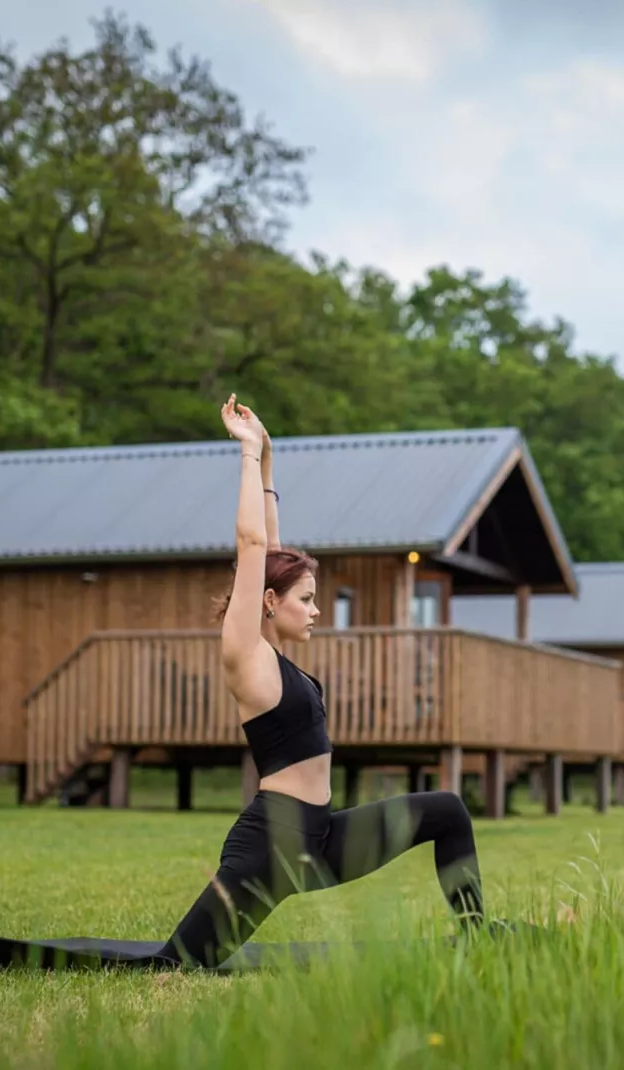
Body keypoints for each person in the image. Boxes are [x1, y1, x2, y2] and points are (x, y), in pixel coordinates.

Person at [155, 395, 488, 969]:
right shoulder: (246, 653)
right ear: (266, 601)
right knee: (181, 963)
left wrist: (269, 458)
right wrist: (246, 454)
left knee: (447, 811)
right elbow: (254, 546)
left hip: (321, 839)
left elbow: (272, 544)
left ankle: (480, 932)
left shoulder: (277, 654)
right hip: (271, 847)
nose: (315, 611)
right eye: (306, 600)